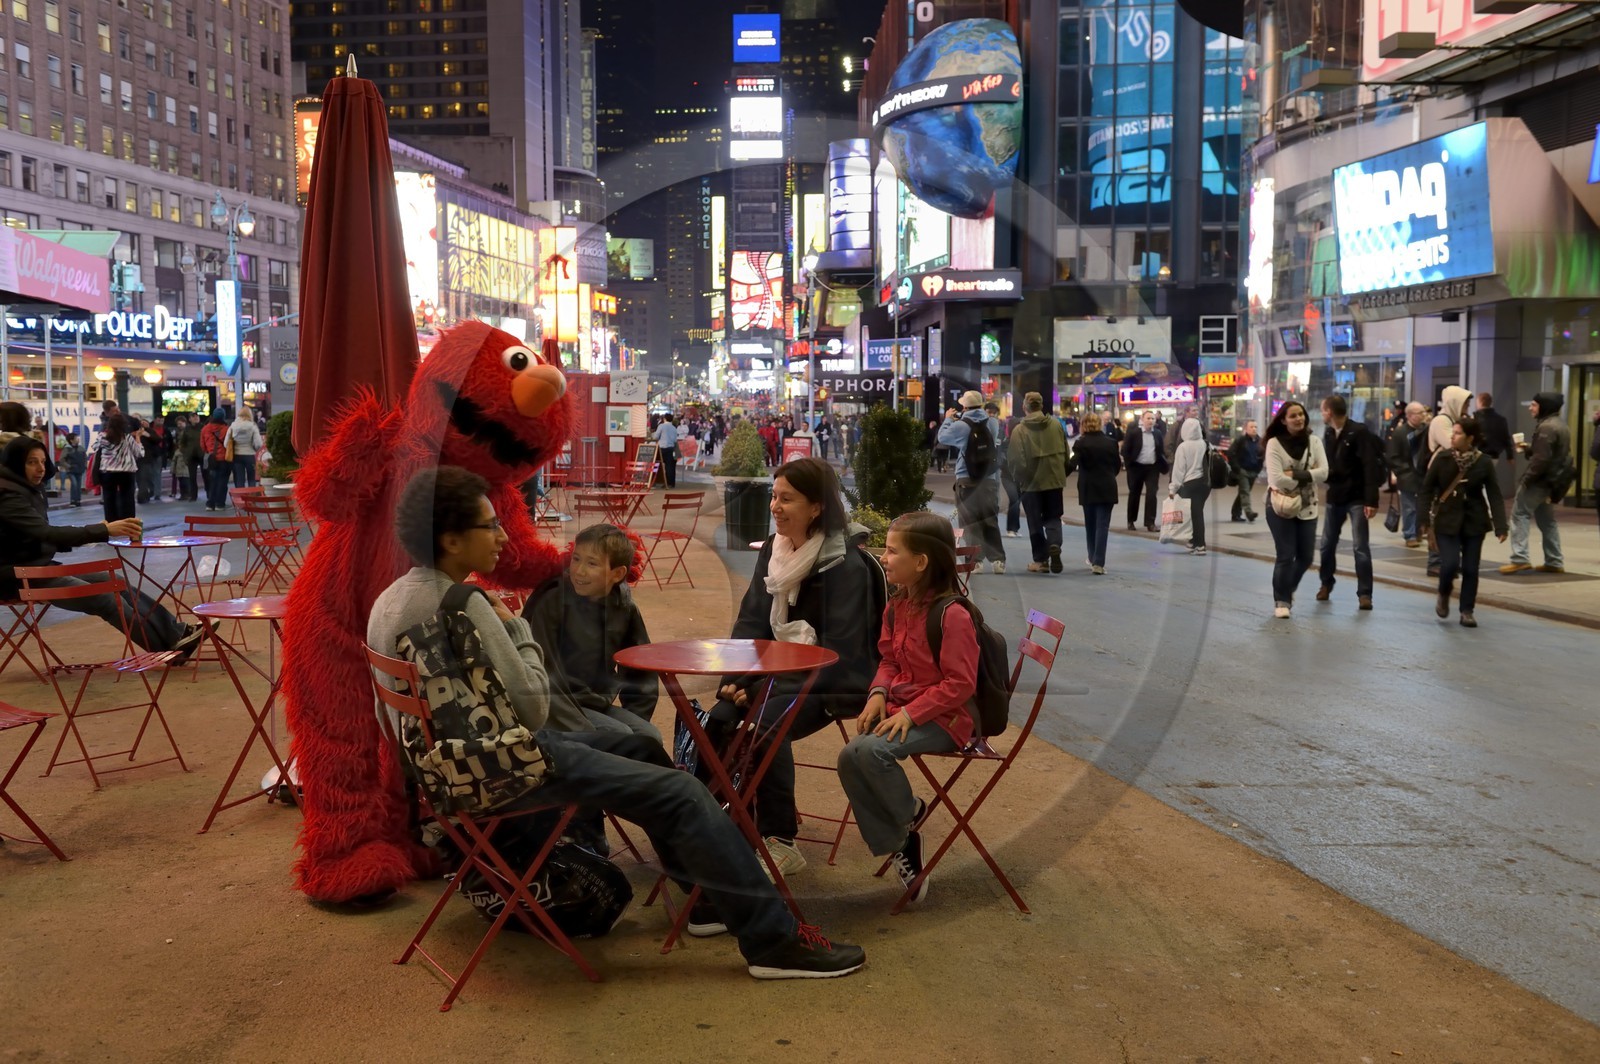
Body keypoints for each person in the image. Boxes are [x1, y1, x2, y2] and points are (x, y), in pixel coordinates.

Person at [365, 466, 864, 978]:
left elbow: (392, 721)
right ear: (450, 539)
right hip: (509, 770)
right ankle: (771, 941)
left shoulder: (388, 602)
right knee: (684, 792)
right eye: (489, 526)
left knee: (647, 751)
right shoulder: (466, 603)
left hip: (448, 779)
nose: (502, 536)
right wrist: (516, 627)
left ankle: (709, 900)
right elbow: (534, 709)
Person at [715, 456, 884, 878]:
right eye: (773, 496)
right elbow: (751, 620)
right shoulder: (775, 550)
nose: (774, 506)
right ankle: (730, 817)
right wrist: (736, 677)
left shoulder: (844, 565)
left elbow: (839, 652)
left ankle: (780, 840)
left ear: (817, 507)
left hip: (836, 681)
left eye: (786, 499)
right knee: (718, 718)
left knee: (761, 724)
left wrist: (762, 689)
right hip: (780, 675)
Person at [838, 511, 977, 904]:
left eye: (893, 551)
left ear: (921, 562)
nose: (884, 558)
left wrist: (910, 714)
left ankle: (906, 822)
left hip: (946, 717)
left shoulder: (954, 615)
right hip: (903, 704)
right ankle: (904, 833)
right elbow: (889, 661)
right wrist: (879, 694)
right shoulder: (897, 606)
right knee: (850, 757)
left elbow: (960, 684)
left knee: (872, 750)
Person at [0, 436, 203, 658]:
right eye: (31, 462)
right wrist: (103, 530)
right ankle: (168, 651)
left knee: (116, 583)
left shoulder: (25, 488)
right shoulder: (9, 495)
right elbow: (46, 533)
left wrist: (98, 531)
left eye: (42, 461)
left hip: (37, 568)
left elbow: (42, 535)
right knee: (105, 599)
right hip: (16, 577)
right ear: (16, 463)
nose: (40, 468)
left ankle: (175, 633)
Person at [522, 523, 661, 743]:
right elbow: (542, 673)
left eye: (592, 563)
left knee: (649, 737)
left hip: (595, 703)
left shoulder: (624, 607)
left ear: (617, 574)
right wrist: (580, 725)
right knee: (620, 737)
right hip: (554, 705)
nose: (579, 571)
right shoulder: (553, 602)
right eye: (576, 559)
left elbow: (641, 668)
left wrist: (636, 717)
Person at [1419, 417, 1507, 629]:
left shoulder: (1483, 462)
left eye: (1458, 433)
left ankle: (1467, 610)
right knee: (1448, 565)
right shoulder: (1443, 458)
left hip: (1474, 522)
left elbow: (1494, 494)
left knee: (1470, 568)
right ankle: (1444, 592)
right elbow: (1426, 489)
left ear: (1470, 438)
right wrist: (1423, 520)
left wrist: (1501, 526)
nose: (1452, 436)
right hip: (1446, 521)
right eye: (1453, 432)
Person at [1315, 395, 1383, 610]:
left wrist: (1371, 501)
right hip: (1335, 496)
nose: (1321, 414)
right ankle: (1326, 583)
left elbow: (1369, 466)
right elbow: (1327, 463)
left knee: (1360, 546)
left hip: (1356, 498)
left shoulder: (1358, 432)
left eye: (1323, 410)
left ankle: (1365, 594)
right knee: (1326, 545)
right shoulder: (1328, 433)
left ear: (1330, 412)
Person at [1263, 401, 1328, 619]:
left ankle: (1287, 587)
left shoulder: (1315, 441)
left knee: (1306, 557)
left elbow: (1324, 473)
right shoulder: (1274, 443)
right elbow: (1276, 479)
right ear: (1283, 420)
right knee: (1285, 554)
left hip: (1308, 507)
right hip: (1280, 506)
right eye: (1293, 416)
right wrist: (1308, 475)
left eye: (1301, 414)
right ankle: (1281, 600)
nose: (1299, 418)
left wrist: (1294, 475)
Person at [1500, 391, 1571, 575]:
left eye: (1534, 404)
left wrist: (1526, 480)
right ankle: (1554, 560)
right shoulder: (1561, 425)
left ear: (1544, 406)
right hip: (1552, 482)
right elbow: (1550, 454)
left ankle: (1519, 558)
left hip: (1539, 481)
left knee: (1519, 514)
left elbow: (1542, 460)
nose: (1530, 408)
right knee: (1547, 521)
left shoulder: (1546, 428)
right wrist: (1529, 448)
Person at [938, 392, 1007, 574]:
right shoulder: (992, 423)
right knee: (990, 519)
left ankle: (975, 561)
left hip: (966, 479)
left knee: (969, 521)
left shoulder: (960, 426)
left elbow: (942, 438)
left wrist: (948, 420)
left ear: (964, 407)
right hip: (989, 479)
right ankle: (998, 560)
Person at [1007, 391, 1069, 574]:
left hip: (1031, 484)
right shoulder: (1056, 425)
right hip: (1054, 480)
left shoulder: (1019, 430)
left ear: (1024, 407)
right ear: (1041, 406)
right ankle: (1055, 544)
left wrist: (1020, 479)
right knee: (1053, 517)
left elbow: (1017, 460)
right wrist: (1061, 473)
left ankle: (1041, 561)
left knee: (1034, 522)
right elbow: (1065, 452)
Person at [1425, 387, 1473, 577]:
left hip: (1454, 477)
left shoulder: (1454, 421)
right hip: (1441, 476)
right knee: (1438, 518)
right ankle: (1435, 562)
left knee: (1453, 520)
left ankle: (1450, 560)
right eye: (1465, 404)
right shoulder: (1441, 421)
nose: (1467, 407)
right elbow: (1453, 445)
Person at [1068, 412, 1121, 575]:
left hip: (1088, 487)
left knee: (1090, 525)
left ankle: (1092, 557)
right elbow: (1117, 465)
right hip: (1107, 486)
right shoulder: (1111, 443)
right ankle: (1098, 562)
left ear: (1083, 425)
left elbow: (1072, 464)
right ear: (1100, 424)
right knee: (1102, 525)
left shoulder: (1080, 443)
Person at [1385, 403, 1429, 547]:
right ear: (1409, 415)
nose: (1422, 415)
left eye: (1423, 412)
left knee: (1422, 506)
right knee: (1409, 506)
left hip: (1423, 474)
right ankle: (1409, 534)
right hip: (1407, 474)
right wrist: (1402, 471)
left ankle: (1419, 531)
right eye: (1418, 413)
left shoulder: (1426, 431)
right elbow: (1392, 456)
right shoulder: (1400, 432)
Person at [1167, 418, 1212, 555]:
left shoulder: (1183, 447)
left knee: (1195, 514)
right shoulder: (1206, 444)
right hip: (1205, 484)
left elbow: (1179, 470)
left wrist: (1172, 488)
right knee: (1196, 512)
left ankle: (1200, 545)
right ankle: (1193, 542)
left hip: (1190, 484)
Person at [1120, 409, 1167, 532]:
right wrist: (1129, 465)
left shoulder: (1157, 434)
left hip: (1152, 468)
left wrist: (1162, 464)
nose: (1150, 421)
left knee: (1152, 494)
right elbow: (1125, 450)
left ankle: (1150, 522)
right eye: (1148, 418)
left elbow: (1161, 450)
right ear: (1142, 420)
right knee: (1134, 494)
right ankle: (1131, 521)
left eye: (1153, 419)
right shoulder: (1134, 433)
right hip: (1136, 467)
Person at [94, 413, 143, 522]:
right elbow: (139, 453)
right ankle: (128, 523)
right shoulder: (127, 437)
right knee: (128, 499)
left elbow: (95, 448)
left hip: (107, 472)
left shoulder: (102, 437)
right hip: (126, 471)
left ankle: (111, 524)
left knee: (109, 499)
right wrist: (138, 438)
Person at [988, 401, 1023, 539]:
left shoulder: (1020, 441)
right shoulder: (1006, 440)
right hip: (1007, 475)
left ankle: (1013, 528)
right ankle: (1007, 528)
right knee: (1014, 499)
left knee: (1017, 501)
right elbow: (1000, 454)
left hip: (1018, 476)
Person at [1227, 420, 1263, 522]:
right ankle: (1249, 513)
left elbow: (1262, 456)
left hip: (1253, 471)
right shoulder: (1241, 440)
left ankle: (1235, 513)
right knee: (1245, 492)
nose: (1254, 429)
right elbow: (1231, 453)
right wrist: (1237, 468)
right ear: (1246, 429)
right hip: (1242, 471)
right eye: (1251, 427)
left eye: (1255, 427)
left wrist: (1258, 469)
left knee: (1243, 493)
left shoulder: (1260, 442)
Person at [200, 411, 232, 511]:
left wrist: (209, 452)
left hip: (211, 459)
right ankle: (220, 504)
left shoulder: (205, 428)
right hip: (223, 460)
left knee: (212, 481)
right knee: (222, 482)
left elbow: (202, 444)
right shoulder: (227, 429)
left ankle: (210, 504)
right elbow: (230, 445)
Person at [228, 407, 264, 489]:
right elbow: (258, 443)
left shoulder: (233, 426)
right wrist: (254, 449)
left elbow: (226, 443)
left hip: (237, 455)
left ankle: (241, 499)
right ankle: (252, 498)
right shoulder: (253, 426)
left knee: (240, 479)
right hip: (249, 455)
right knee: (251, 478)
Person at [175, 414, 204, 501]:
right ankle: (193, 495)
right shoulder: (187, 429)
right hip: (191, 456)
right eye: (193, 417)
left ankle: (210, 493)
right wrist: (185, 452)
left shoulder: (203, 427)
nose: (196, 418)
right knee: (192, 477)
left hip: (202, 454)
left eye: (197, 417)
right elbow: (182, 442)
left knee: (206, 475)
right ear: (190, 419)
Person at [57, 433, 88, 507]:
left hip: (80, 469)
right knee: (74, 484)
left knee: (78, 485)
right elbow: (62, 459)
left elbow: (85, 458)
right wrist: (68, 466)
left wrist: (85, 465)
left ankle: (77, 500)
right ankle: (73, 500)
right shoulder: (67, 448)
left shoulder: (81, 448)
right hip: (71, 470)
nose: (78, 439)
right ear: (71, 440)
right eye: (76, 438)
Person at [653, 413, 679, 489]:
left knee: (657, 464)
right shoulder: (674, 428)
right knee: (670, 466)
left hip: (662, 448)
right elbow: (675, 440)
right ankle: (670, 483)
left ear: (664, 419)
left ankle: (656, 481)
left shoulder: (661, 426)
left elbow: (656, 436)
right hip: (671, 448)